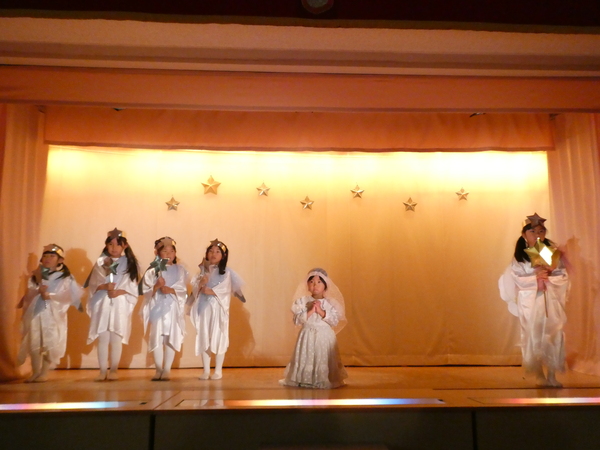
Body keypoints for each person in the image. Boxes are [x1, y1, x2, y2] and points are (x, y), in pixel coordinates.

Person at [499, 213, 570, 388]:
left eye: (541, 231)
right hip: (530, 300)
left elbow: (562, 275)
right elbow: (517, 277)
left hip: (551, 299)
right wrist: (535, 279)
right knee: (534, 334)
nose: (537, 235)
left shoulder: (550, 253)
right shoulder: (520, 257)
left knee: (554, 333)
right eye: (532, 231)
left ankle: (552, 373)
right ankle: (538, 373)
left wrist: (550, 276)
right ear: (524, 235)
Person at [17, 244, 83, 382]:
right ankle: (35, 372)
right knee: (35, 341)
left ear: (60, 260)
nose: (48, 258)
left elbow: (69, 295)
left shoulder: (65, 277)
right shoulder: (36, 276)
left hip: (52, 314)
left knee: (49, 342)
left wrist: (50, 295)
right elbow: (29, 293)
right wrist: (37, 291)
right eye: (45, 256)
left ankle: (44, 372)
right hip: (36, 313)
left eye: (52, 256)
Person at [86, 228, 139, 381]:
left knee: (116, 337)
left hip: (120, 303)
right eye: (110, 244)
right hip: (103, 302)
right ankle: (102, 370)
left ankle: (114, 369)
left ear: (124, 246)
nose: (114, 248)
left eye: (117, 244)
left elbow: (132, 286)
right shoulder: (101, 262)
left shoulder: (128, 263)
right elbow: (94, 283)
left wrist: (119, 291)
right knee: (103, 337)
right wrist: (104, 286)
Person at [280, 268, 347, 389]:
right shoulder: (302, 302)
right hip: (307, 335)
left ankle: (323, 378)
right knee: (307, 356)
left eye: (319, 282)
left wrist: (320, 311)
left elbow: (334, 321)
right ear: (307, 285)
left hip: (324, 336)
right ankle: (304, 378)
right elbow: (297, 320)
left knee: (322, 356)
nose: (315, 285)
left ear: (325, 285)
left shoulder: (330, 303)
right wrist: (310, 311)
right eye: (312, 282)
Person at [189, 239, 245, 380]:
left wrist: (211, 291)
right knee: (204, 335)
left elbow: (225, 289)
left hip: (218, 309)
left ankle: (218, 370)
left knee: (219, 335)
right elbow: (194, 290)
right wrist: (201, 283)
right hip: (204, 308)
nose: (213, 254)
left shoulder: (226, 272)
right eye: (211, 251)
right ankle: (206, 370)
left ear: (223, 255)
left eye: (217, 252)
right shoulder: (202, 271)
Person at [141, 237, 188, 381]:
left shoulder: (180, 270)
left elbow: (183, 289)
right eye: (165, 251)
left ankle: (167, 368)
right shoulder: (153, 271)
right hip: (157, 308)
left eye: (171, 251)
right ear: (158, 253)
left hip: (173, 308)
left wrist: (172, 290)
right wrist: (156, 286)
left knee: (170, 338)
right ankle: (158, 369)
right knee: (157, 337)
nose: (168, 254)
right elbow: (145, 291)